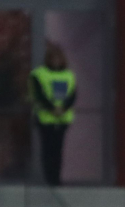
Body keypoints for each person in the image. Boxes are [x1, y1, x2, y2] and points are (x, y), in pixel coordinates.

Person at [28, 44, 76, 186]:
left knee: (58, 150)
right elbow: (38, 95)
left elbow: (72, 95)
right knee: (47, 150)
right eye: (53, 58)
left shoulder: (69, 75)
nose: (56, 60)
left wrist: (62, 108)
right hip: (45, 119)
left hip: (62, 119)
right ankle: (49, 179)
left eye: (58, 58)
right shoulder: (38, 74)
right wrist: (52, 108)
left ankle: (56, 179)